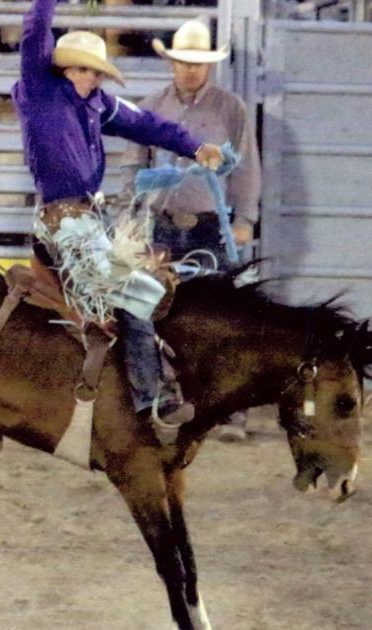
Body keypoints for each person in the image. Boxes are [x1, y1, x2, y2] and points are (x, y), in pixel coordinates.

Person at [12, 0, 225, 445]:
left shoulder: (99, 105)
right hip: (65, 222)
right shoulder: (40, 91)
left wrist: (193, 146)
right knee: (137, 292)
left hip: (90, 220)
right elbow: (35, 32)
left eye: (95, 72)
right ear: (62, 69)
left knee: (157, 284)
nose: (89, 78)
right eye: (81, 70)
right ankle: (151, 399)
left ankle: (142, 380)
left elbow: (146, 123)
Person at [123, 18, 262, 442]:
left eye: (198, 63)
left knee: (222, 316)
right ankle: (160, 401)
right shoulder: (149, 107)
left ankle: (229, 408)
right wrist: (131, 218)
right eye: (184, 61)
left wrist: (244, 219)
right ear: (172, 63)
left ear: (209, 66)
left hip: (210, 227)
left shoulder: (231, 108)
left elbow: (246, 168)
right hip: (161, 227)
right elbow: (133, 166)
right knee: (149, 311)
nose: (191, 69)